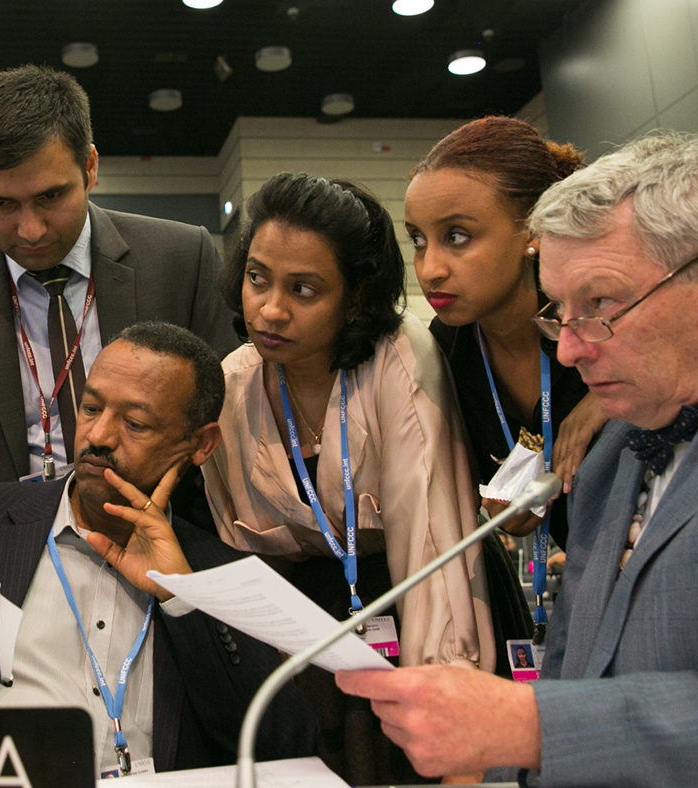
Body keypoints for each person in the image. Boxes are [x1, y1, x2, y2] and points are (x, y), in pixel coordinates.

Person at [336, 131, 698, 786]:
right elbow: (575, 677)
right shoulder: (616, 443)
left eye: (602, 305)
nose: (570, 351)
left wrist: (523, 724)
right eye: (561, 311)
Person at [0, 322, 316, 776]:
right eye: (90, 408)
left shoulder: (222, 576)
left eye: (135, 423)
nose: (99, 436)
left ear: (200, 444)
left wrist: (180, 597)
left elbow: (283, 746)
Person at [201, 172, 491, 784]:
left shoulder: (400, 357)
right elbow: (240, 557)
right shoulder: (234, 381)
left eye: (304, 289)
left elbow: (432, 546)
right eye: (258, 278)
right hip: (296, 645)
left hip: (414, 615)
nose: (270, 309)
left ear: (356, 297)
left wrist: (449, 712)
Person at [0, 64, 237, 495]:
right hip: (0, 549)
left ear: (90, 165)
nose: (30, 230)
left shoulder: (181, 258)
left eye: (50, 196)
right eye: (0, 203)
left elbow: (225, 431)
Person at [404, 117, 602, 673]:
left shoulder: (606, 326)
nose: (429, 267)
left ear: (533, 230)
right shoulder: (440, 354)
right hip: (564, 620)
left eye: (457, 237)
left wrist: (611, 399)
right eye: (418, 239)